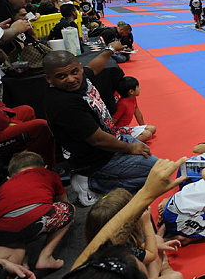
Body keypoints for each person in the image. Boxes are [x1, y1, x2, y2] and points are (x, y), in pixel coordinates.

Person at [65, 158, 205, 279]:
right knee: (173, 272)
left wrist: (146, 194)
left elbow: (89, 257)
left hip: (175, 206)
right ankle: (187, 236)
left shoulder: (77, 276)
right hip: (178, 213)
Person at [42, 49, 158, 206]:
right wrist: (129, 149)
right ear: (48, 79)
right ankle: (91, 184)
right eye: (61, 76)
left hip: (112, 140)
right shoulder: (64, 103)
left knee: (154, 161)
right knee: (157, 176)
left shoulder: (80, 79)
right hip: (96, 159)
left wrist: (110, 49)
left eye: (74, 72)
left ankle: (101, 177)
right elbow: (97, 139)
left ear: (80, 68)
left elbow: (94, 67)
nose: (71, 79)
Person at [0, 151, 74, 271]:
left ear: (9, 178)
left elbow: (0, 212)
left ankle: (21, 265)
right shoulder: (48, 174)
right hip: (33, 218)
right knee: (68, 209)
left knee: (18, 246)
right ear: (45, 168)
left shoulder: (1, 188)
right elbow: (64, 201)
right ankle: (45, 256)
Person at [85, 188, 183, 279]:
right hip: (131, 276)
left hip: (132, 272)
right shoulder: (119, 254)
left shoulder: (108, 244)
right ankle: (160, 271)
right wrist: (146, 223)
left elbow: (137, 249)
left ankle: (152, 278)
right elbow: (151, 255)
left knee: (157, 240)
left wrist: (158, 246)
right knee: (176, 278)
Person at [0, 51, 56, 165]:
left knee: (27, 110)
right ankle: (32, 165)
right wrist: (10, 121)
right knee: (41, 126)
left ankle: (20, 154)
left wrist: (5, 117)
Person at [113, 76, 157, 142]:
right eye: (137, 87)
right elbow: (114, 120)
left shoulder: (132, 98)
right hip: (119, 130)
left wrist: (142, 126)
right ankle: (125, 144)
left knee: (152, 129)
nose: (140, 88)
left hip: (126, 128)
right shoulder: (122, 104)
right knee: (147, 134)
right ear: (131, 91)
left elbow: (137, 112)